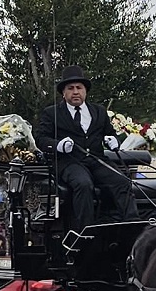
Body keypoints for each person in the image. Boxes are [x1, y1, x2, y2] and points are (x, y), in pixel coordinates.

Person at [35, 65, 139, 232]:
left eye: (79, 88)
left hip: (96, 161)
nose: (75, 92)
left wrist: (114, 141)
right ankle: (86, 232)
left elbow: (110, 133)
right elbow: (40, 138)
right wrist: (59, 146)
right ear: (63, 92)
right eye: (70, 88)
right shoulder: (52, 113)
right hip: (69, 163)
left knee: (122, 181)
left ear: (85, 91)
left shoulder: (99, 111)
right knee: (83, 184)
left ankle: (132, 228)